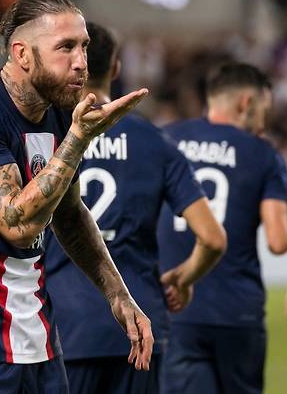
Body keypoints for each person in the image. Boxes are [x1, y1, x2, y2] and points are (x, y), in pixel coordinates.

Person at [0, 0, 153, 394]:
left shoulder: (59, 114)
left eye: (84, 46)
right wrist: (76, 141)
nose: (81, 61)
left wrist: (119, 296)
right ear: (22, 54)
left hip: (37, 341)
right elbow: (15, 223)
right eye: (66, 47)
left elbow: (69, 214)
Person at [43, 22, 227, 394]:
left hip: (64, 325)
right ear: (115, 68)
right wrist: (183, 278)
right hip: (139, 326)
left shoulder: (46, 136)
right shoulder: (155, 141)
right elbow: (212, 238)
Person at [158, 62, 287, 394]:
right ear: (247, 103)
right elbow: (278, 241)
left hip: (174, 307)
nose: (264, 123)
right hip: (237, 310)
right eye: (264, 111)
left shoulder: (167, 138)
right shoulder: (262, 153)